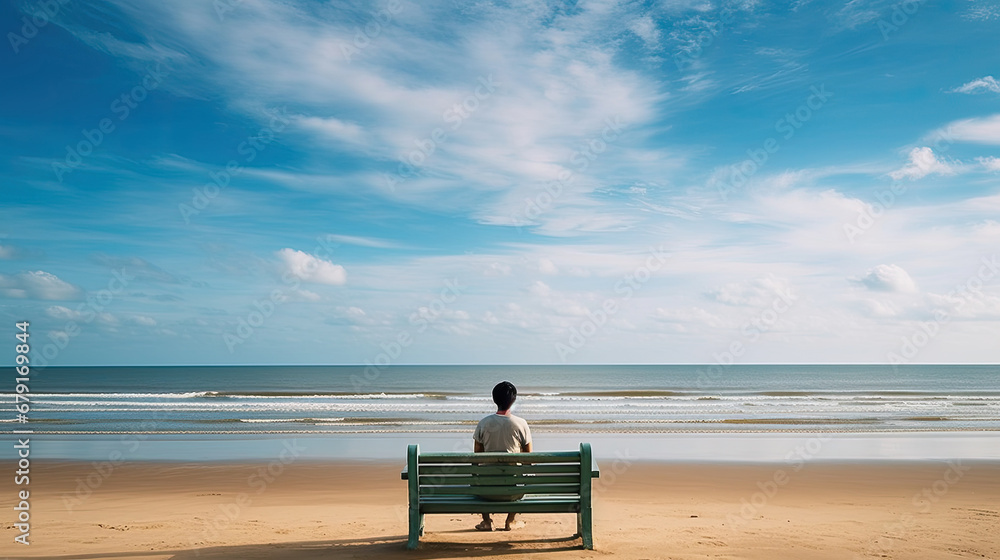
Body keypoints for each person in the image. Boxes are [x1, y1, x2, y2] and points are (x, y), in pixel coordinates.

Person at [472, 380, 532, 532]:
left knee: (477, 475)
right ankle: (510, 520)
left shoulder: (483, 424)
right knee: (523, 474)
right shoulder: (521, 424)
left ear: (494, 399)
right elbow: (528, 459)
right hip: (513, 491)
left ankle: (486, 521)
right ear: (513, 400)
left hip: (486, 492)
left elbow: (476, 459)